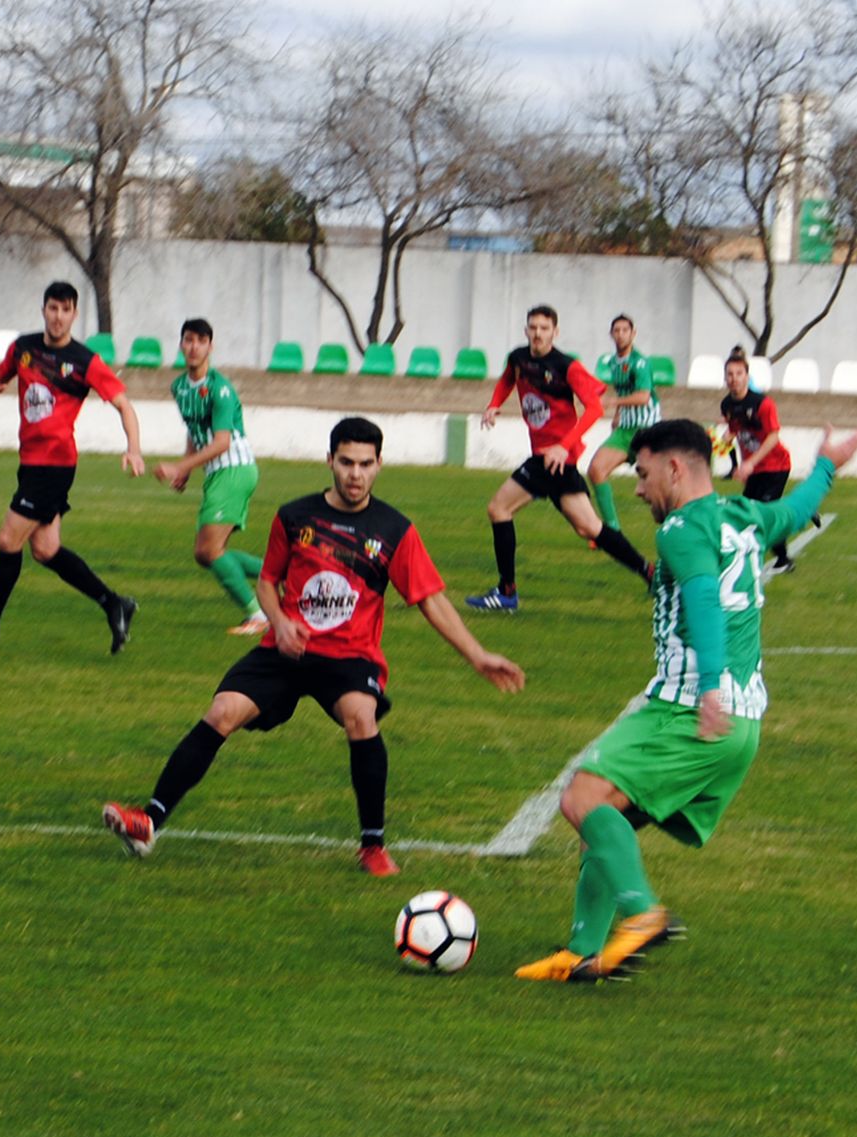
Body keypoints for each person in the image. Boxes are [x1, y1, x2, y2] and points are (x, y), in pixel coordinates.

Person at [515, 419, 857, 983]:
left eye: (643, 472)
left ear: (675, 469)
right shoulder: (745, 516)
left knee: (581, 797)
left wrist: (706, 689)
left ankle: (643, 916)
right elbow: (797, 513)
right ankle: (582, 954)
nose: (637, 487)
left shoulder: (679, 528)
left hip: (690, 707)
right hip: (742, 721)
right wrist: (827, 462)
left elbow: (703, 596)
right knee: (609, 820)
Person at [103, 417, 526, 875]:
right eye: (346, 462)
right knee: (222, 712)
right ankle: (149, 820)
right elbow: (267, 582)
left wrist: (478, 655)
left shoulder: (393, 530)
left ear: (380, 465)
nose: (355, 474)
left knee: (361, 717)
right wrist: (280, 623)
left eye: (365, 464)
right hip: (285, 651)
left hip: (350, 657)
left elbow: (430, 600)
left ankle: (373, 845)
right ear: (330, 460)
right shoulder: (295, 516)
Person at [0, 281, 145, 654]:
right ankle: (114, 603)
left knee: (8, 540)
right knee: (46, 549)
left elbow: (124, 405)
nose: (58, 317)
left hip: (54, 465)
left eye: (65, 309)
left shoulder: (85, 362)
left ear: (74, 314)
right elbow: (0, 374)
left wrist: (133, 449)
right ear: (44, 310)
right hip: (30, 461)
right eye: (52, 308)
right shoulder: (24, 348)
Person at [465, 305, 654, 613]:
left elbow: (594, 408)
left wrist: (564, 445)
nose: (537, 333)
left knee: (499, 508)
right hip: (550, 460)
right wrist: (494, 404)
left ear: (555, 332)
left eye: (544, 328)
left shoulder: (567, 366)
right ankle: (650, 572)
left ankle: (506, 592)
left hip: (553, 458)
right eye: (533, 327)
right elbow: (507, 380)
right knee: (590, 528)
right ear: (526, 330)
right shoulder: (518, 358)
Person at [152, 317, 267, 635]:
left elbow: (221, 442)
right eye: (188, 340)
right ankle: (283, 574)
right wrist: (188, 466)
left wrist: (181, 466)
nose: (193, 347)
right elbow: (195, 428)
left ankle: (258, 614)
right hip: (218, 473)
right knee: (212, 554)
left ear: (210, 347)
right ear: (181, 344)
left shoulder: (221, 390)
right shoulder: (178, 387)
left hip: (234, 469)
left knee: (207, 550)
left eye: (200, 341)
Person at [719, 346, 808, 573]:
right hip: (756, 469)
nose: (734, 379)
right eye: (730, 374)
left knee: (763, 514)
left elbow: (773, 436)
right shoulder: (727, 405)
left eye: (739, 374)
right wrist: (726, 441)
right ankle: (782, 560)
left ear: (747, 377)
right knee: (748, 513)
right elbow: (734, 431)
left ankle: (797, 515)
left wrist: (750, 462)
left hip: (776, 465)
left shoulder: (762, 403)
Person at [586, 313, 660, 532]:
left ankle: (679, 522)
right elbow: (623, 390)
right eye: (616, 331)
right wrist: (618, 413)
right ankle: (612, 529)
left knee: (659, 484)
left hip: (647, 431)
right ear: (611, 334)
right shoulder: (615, 362)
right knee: (596, 470)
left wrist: (612, 401)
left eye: (625, 330)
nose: (620, 335)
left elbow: (643, 396)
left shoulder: (640, 362)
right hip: (625, 430)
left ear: (633, 333)